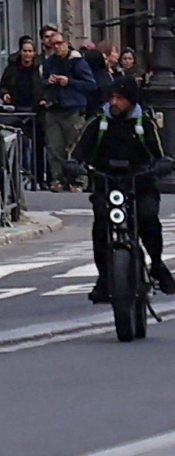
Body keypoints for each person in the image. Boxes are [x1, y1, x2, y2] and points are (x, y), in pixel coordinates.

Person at [90, 76, 166, 293]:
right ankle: (104, 276)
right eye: (112, 98)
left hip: (140, 184)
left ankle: (157, 264)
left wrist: (161, 165)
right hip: (107, 185)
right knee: (101, 223)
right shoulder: (99, 124)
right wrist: (74, 165)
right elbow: (80, 151)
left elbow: (159, 155)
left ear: (131, 101)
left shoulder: (144, 125)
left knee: (148, 217)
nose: (114, 103)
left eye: (120, 98)